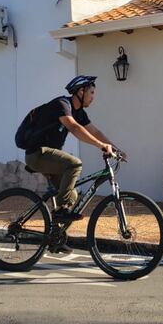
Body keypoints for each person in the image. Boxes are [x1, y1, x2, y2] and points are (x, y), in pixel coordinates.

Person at [23, 75, 120, 223]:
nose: (93, 97)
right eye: (92, 93)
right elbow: (74, 127)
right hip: (37, 153)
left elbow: (95, 132)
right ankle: (61, 211)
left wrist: (115, 149)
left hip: (49, 157)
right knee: (74, 164)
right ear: (81, 92)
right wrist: (101, 146)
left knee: (72, 196)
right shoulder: (62, 104)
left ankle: (56, 240)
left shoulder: (79, 112)